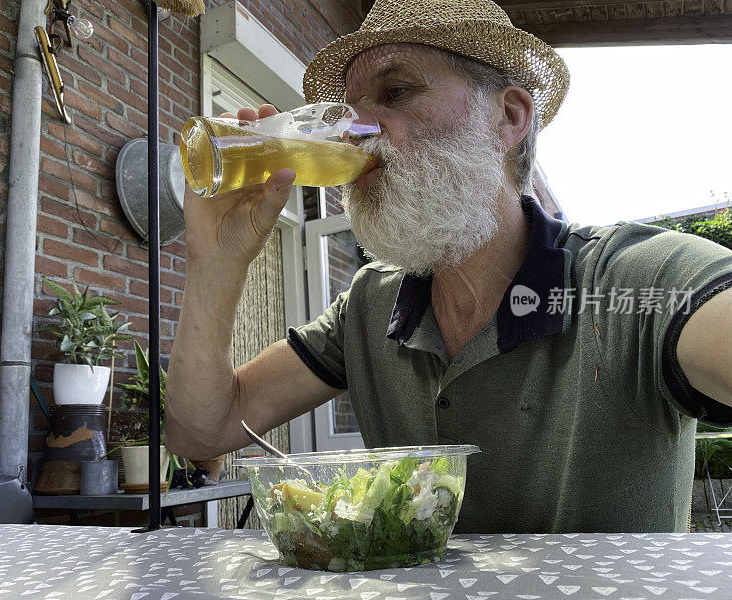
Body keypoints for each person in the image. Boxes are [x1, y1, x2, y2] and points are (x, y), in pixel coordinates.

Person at [165, 0, 732, 533]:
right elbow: (203, 431)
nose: (356, 130)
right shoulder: (371, 304)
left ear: (510, 116)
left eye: (396, 91)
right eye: (350, 107)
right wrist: (215, 261)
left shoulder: (635, 278)